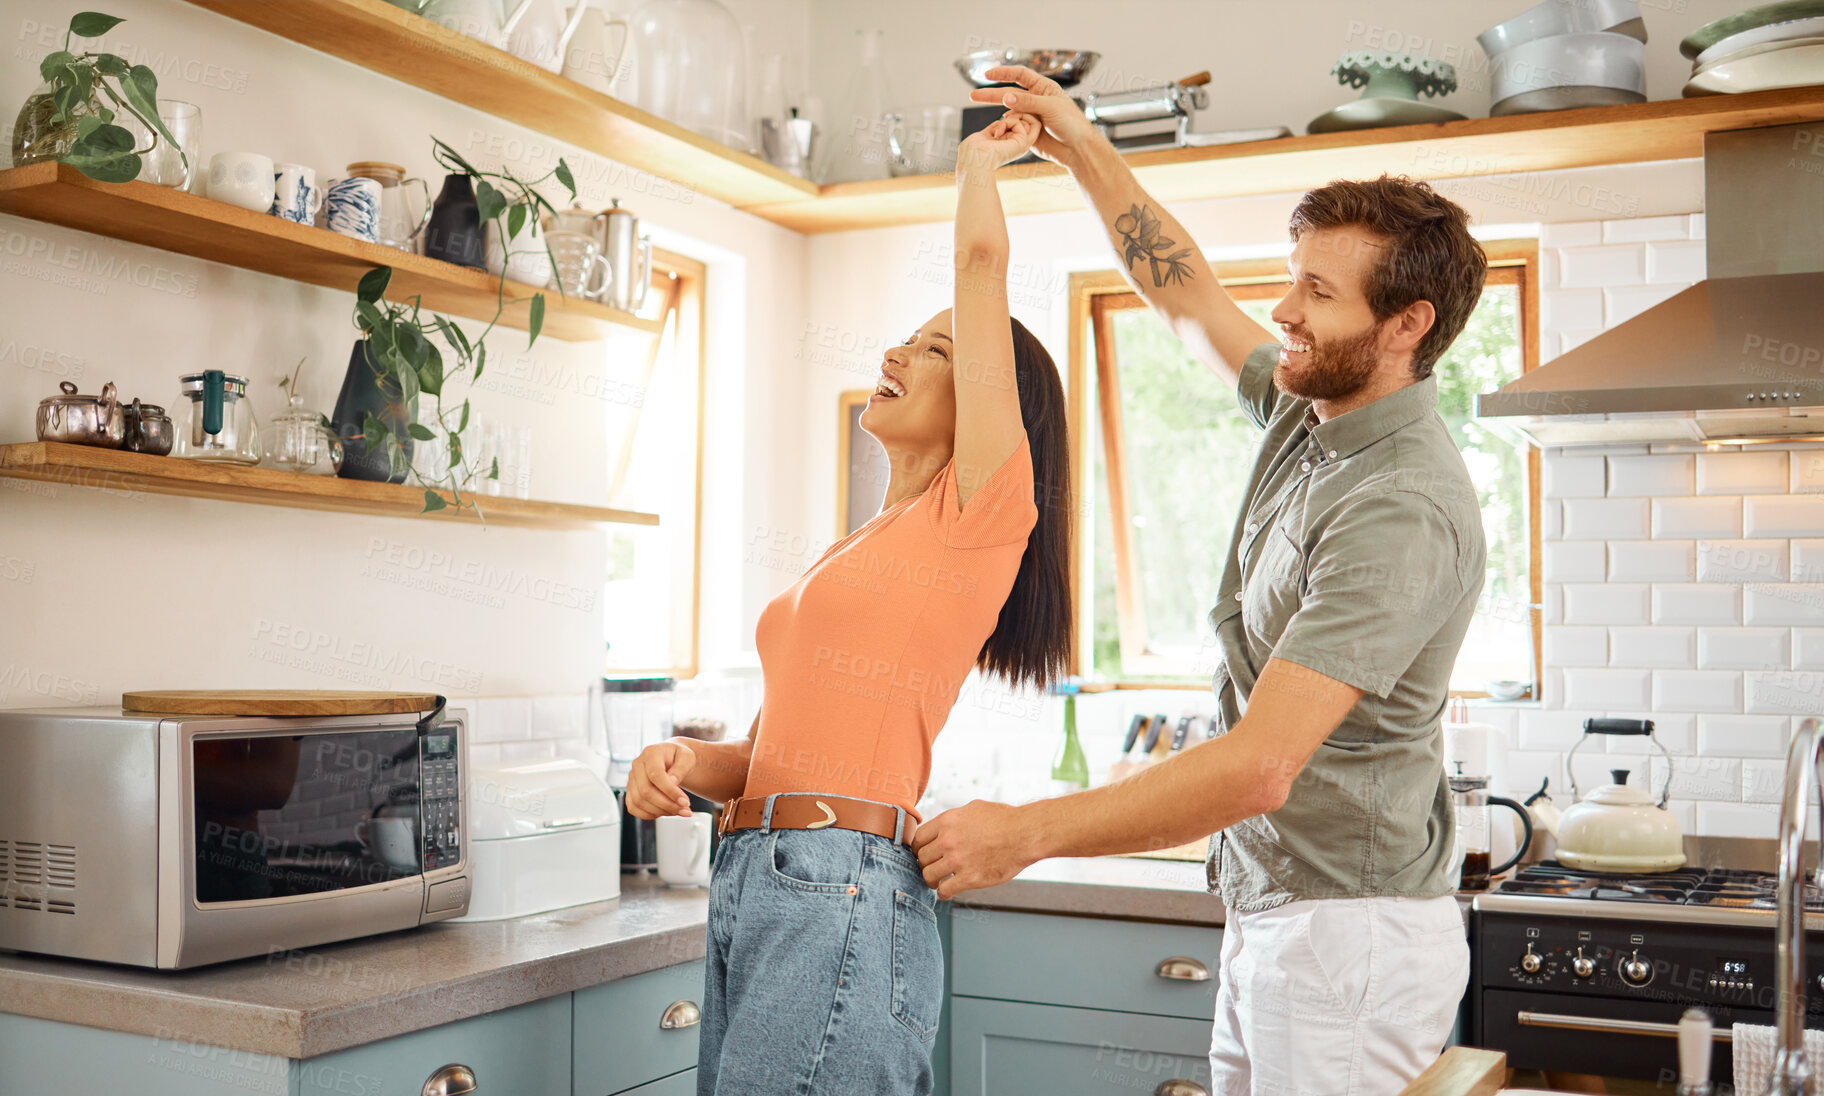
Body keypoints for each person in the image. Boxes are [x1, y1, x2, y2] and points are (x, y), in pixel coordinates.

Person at [912, 67, 1490, 1096]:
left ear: (1406, 324)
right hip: (1281, 914)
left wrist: (1026, 830)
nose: (1284, 310)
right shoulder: (1310, 418)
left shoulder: (1400, 504)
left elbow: (1259, 766)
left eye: (1319, 291)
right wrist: (1078, 143)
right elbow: (1183, 293)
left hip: (1346, 944)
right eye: (1293, 276)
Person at [622, 110, 1072, 1096]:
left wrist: (975, 169)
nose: (902, 355)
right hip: (760, 876)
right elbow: (778, 750)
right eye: (909, 339)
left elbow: (983, 271)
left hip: (841, 888)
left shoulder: (981, 515)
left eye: (940, 352)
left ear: (991, 411)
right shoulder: (857, 549)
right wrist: (686, 762)